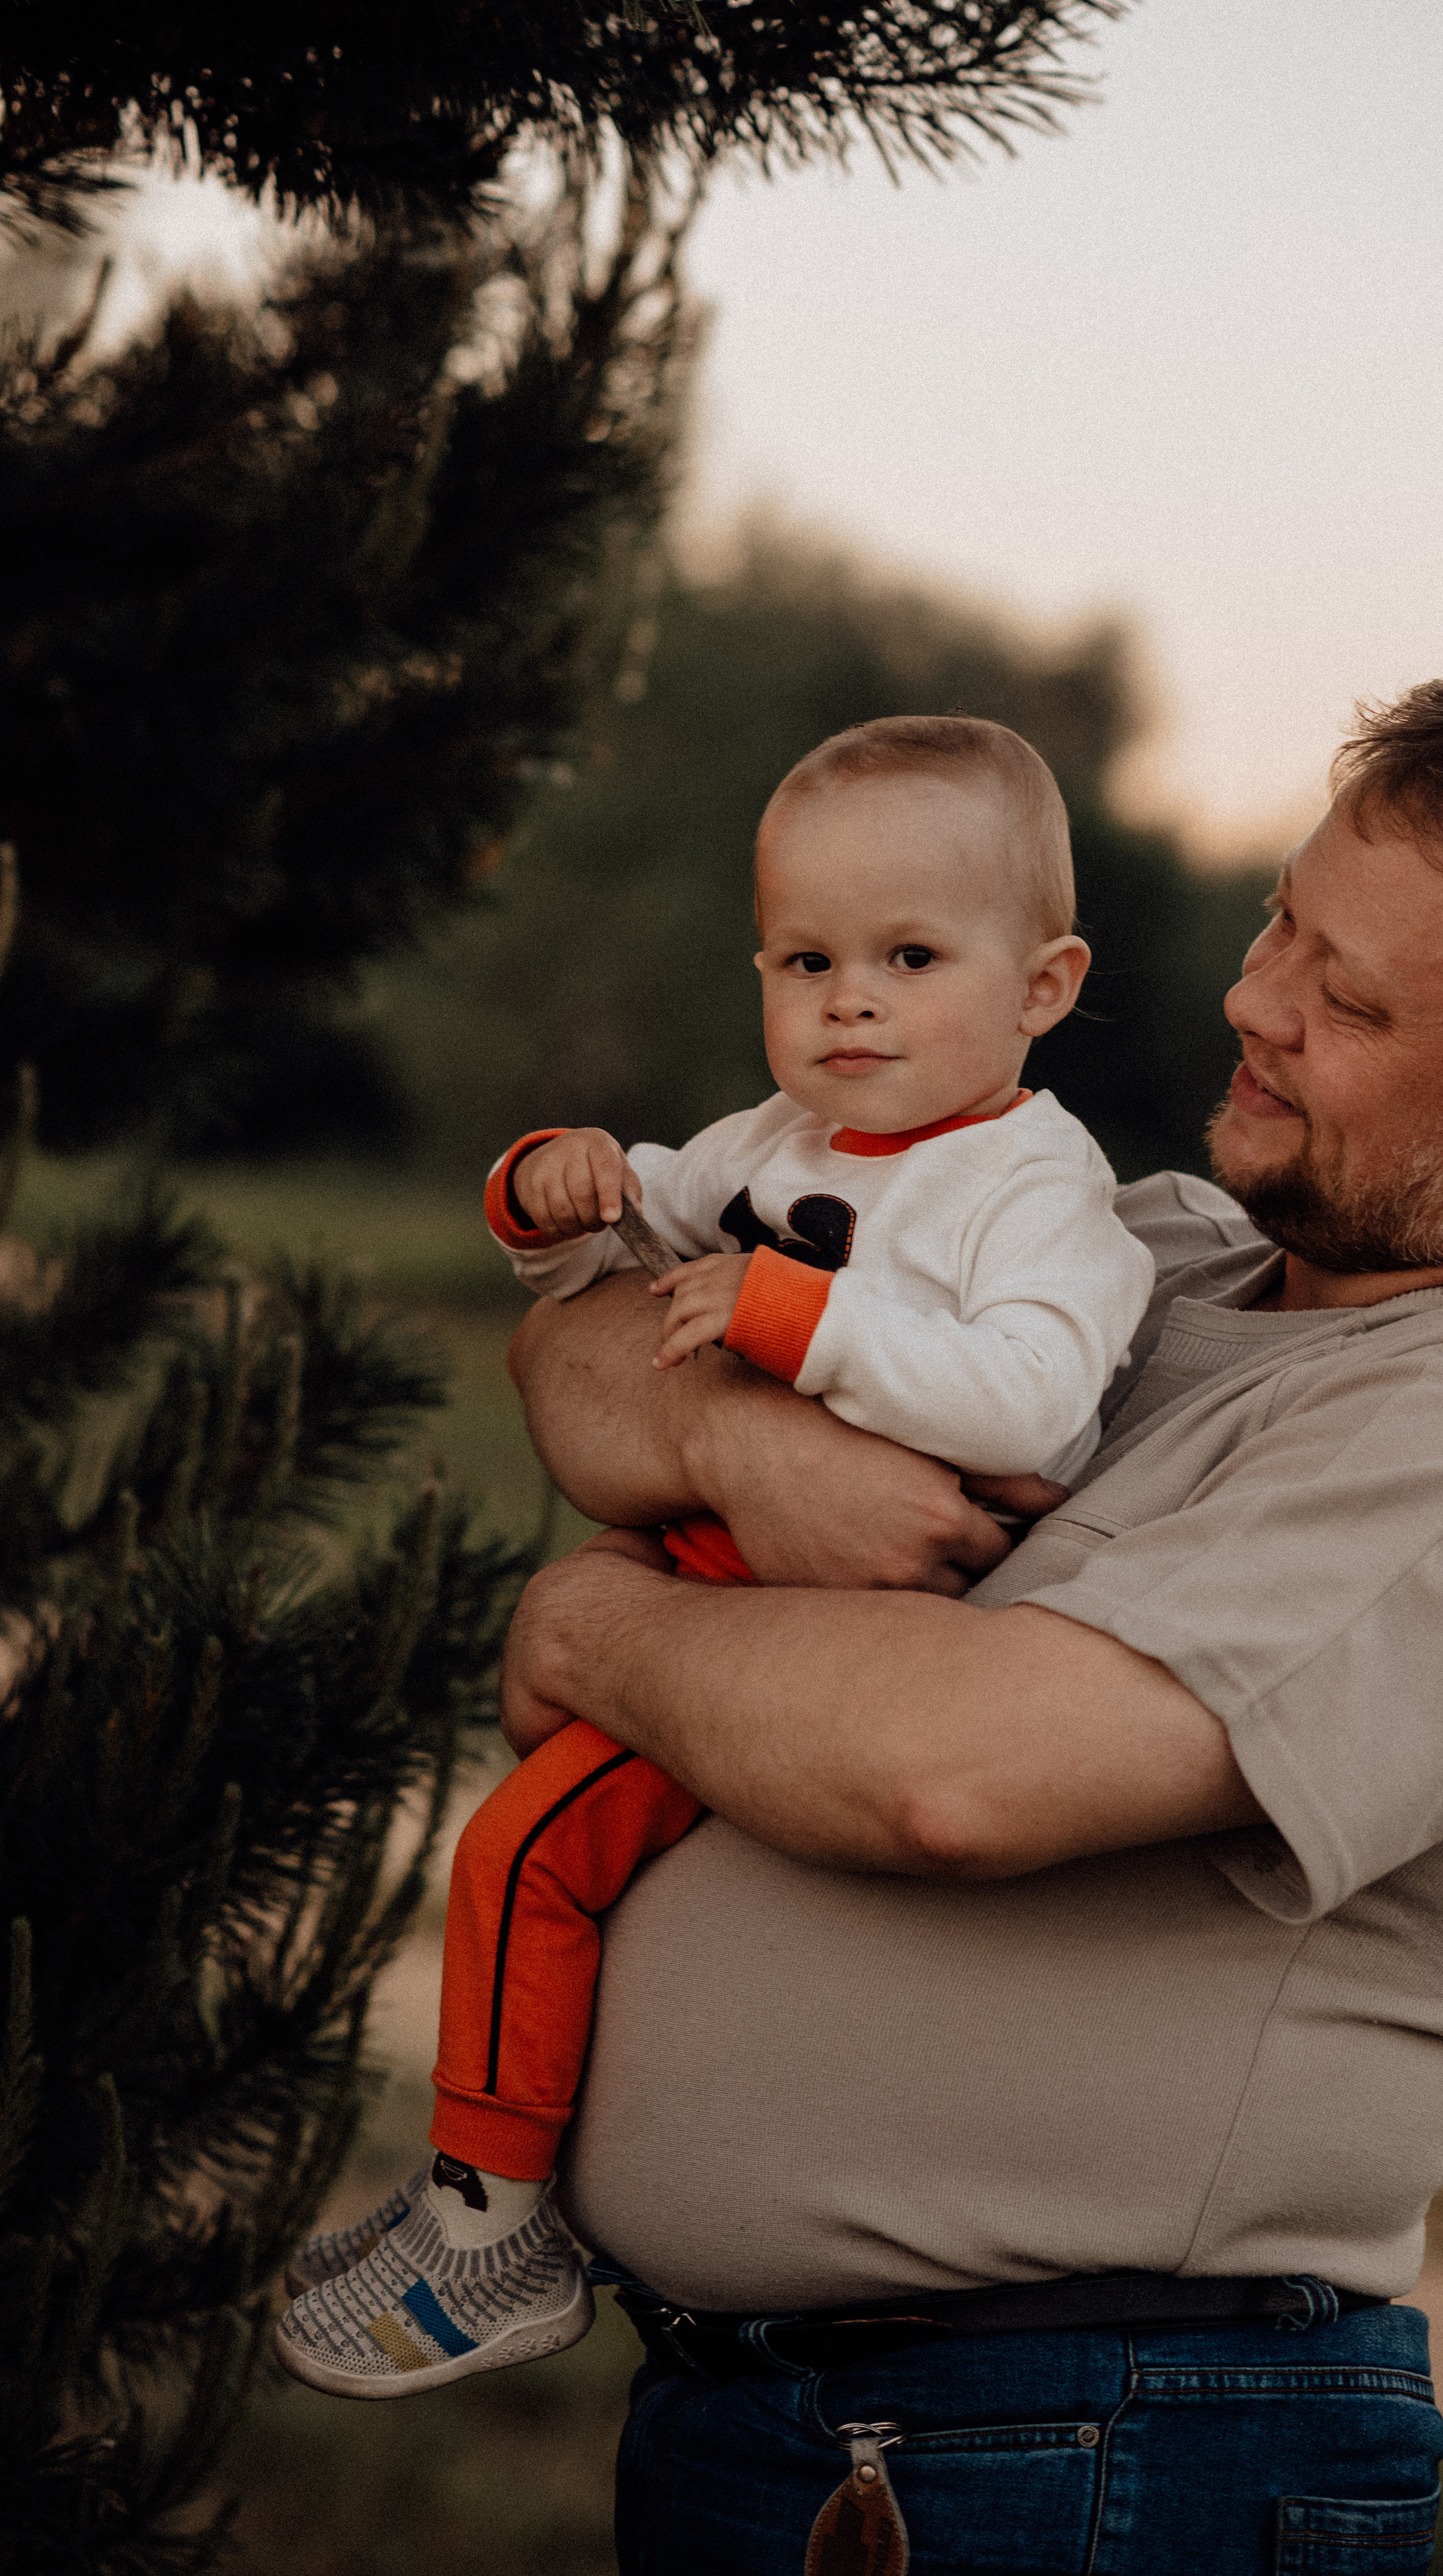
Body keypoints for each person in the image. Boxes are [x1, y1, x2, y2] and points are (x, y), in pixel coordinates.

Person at [494, 664, 1443, 2575]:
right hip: (850, 2426)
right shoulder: (1168, 1247)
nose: (1257, 999)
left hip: (1085, 2451)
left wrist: (598, 1638)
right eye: (1285, 919)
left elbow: (951, 1772)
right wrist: (737, 1448)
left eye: (1348, 999)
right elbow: (579, 1352)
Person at [275, 716, 1154, 2400]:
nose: (849, 1002)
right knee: (566, 1864)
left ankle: (493, 2233)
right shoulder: (773, 1146)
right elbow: (618, 1263)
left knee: (522, 1855)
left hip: (844, 1625)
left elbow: (1036, 1405)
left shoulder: (1036, 1193)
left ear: (1042, 986)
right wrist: (555, 1194)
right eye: (806, 959)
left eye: (909, 956)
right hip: (711, 1582)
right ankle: (512, 2182)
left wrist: (792, 1322)